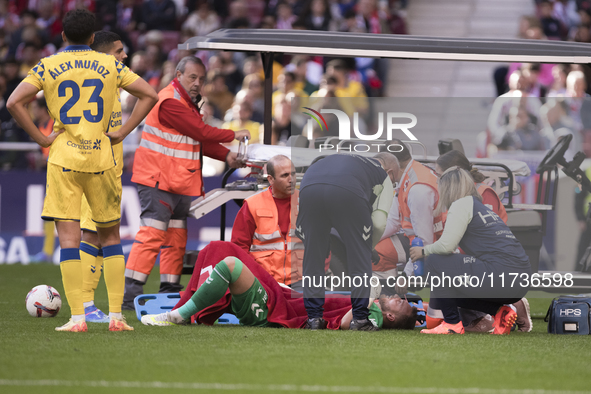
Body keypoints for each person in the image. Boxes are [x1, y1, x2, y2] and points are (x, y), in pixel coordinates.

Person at [7, 9, 159, 332]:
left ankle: (78, 318)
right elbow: (149, 94)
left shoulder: (48, 65)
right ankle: (117, 317)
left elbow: (13, 103)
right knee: (112, 237)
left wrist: (42, 139)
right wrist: (124, 131)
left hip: (64, 159)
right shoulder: (110, 65)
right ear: (93, 39)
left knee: (69, 240)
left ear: (63, 36)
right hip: (102, 158)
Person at [122, 56, 251, 310]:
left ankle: (169, 291)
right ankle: (129, 297)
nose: (197, 83)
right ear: (178, 75)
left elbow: (197, 139)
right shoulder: (170, 100)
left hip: (177, 181)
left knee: (176, 238)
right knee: (152, 236)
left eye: (201, 79)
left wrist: (227, 155)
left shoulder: (186, 103)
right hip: (158, 180)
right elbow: (201, 132)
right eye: (192, 77)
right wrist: (233, 134)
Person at [140, 245, 417, 330]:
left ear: (390, 316)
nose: (396, 298)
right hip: (287, 297)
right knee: (220, 248)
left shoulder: (374, 317)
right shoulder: (378, 308)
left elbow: (347, 323)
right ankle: (188, 309)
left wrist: (371, 292)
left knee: (229, 265)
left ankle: (179, 314)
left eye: (399, 303)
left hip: (276, 312)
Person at [410, 167, 531, 335]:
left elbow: (446, 246)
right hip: (520, 280)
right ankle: (499, 311)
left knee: (434, 261)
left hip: (501, 274)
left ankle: (452, 323)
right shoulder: (480, 207)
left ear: (448, 188)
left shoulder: (461, 204)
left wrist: (423, 251)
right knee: (448, 278)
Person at [296, 153, 398, 331]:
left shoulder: (346, 161)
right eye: (395, 180)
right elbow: (379, 223)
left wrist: (320, 244)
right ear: (389, 172)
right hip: (347, 192)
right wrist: (367, 247)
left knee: (313, 258)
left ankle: (314, 319)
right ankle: (359, 320)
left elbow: (306, 232)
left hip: (309, 186)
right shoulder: (382, 176)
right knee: (360, 259)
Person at [78, 30, 130, 324]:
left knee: (97, 235)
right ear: (102, 54)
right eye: (118, 51)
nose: (124, 56)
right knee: (92, 233)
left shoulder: (109, 83)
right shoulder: (95, 83)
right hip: (97, 167)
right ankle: (85, 303)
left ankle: (88, 303)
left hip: (109, 169)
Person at [373, 140, 442, 282]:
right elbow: (392, 221)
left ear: (390, 166)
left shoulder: (418, 189)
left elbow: (425, 242)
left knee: (377, 253)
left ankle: (393, 298)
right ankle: (392, 297)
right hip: (422, 241)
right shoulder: (411, 175)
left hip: (435, 246)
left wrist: (406, 275)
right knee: (374, 248)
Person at [231, 155, 303, 288]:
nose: (291, 180)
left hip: (300, 281)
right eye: (285, 175)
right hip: (263, 280)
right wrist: (251, 278)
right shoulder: (253, 204)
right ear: (270, 179)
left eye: (293, 174)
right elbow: (239, 248)